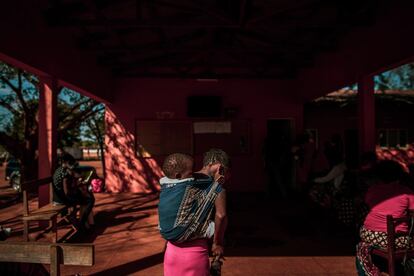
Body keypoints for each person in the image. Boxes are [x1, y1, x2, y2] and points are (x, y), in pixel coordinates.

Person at [159, 149, 229, 276]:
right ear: (220, 166)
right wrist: (217, 243)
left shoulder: (177, 181)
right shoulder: (214, 187)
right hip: (195, 255)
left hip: (171, 253)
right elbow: (221, 215)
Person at [356, 160, 414, 275]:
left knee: (361, 246)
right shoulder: (406, 192)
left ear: (378, 176)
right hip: (398, 239)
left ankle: (370, 272)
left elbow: (368, 203)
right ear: (399, 176)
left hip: (370, 234)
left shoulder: (373, 190)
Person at [52, 153, 95, 232]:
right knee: (89, 200)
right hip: (61, 200)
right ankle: (82, 222)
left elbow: (68, 187)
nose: (72, 165)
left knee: (84, 197)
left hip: (58, 198)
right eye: (70, 163)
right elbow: (67, 192)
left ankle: (83, 221)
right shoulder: (64, 173)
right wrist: (77, 187)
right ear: (64, 162)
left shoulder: (60, 169)